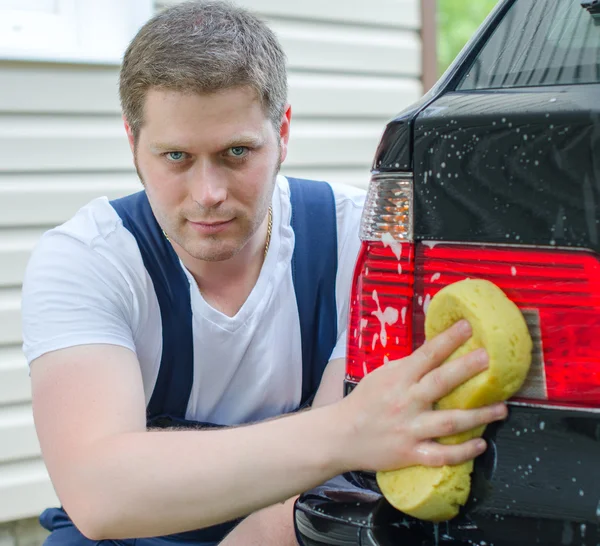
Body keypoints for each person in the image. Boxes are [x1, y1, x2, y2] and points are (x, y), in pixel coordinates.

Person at [21, 1, 508, 545]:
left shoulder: (359, 243)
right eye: (176, 156)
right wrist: (347, 431)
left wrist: (340, 440)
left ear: (283, 131)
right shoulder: (87, 258)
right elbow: (102, 495)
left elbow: (327, 479)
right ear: (133, 143)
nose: (209, 194)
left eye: (236, 152)